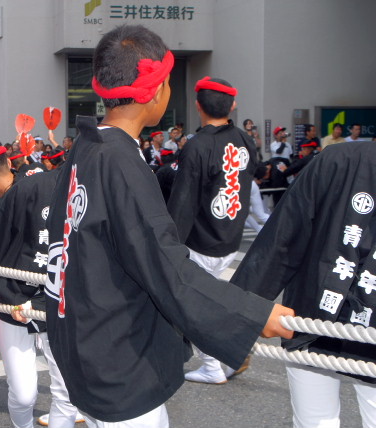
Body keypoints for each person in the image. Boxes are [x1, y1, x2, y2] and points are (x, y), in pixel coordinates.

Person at [44, 24, 294, 427]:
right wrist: (253, 314)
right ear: (157, 90)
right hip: (118, 357)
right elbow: (167, 269)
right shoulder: (120, 161)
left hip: (89, 335)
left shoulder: (88, 144)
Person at [231, 141, 376, 428]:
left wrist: (239, 312)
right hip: (315, 319)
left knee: (314, 420)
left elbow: (283, 236)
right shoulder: (336, 158)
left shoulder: (337, 158)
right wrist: (242, 312)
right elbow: (284, 233)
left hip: (312, 310)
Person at [0, 137, 82, 428]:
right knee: (29, 393)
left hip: (52, 300)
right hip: (16, 303)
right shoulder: (50, 181)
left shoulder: (27, 190)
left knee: (63, 391)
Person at [167, 76, 259, 384]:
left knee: (194, 305)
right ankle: (229, 354)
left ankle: (213, 364)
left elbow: (183, 203)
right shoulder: (245, 140)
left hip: (201, 241)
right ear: (233, 105)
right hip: (230, 237)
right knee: (212, 297)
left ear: (198, 106)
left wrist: (170, 245)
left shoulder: (198, 145)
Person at [244, 165, 271, 232]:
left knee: (243, 213)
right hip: (250, 185)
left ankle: (260, 228)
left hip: (245, 186)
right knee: (258, 213)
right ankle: (260, 228)